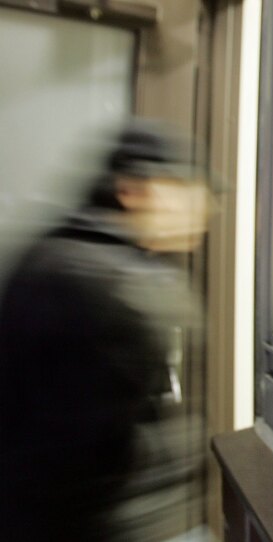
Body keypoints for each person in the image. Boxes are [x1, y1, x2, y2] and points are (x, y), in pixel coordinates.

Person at [0, 120, 208, 541]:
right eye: (184, 190)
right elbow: (82, 462)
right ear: (131, 191)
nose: (203, 208)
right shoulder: (111, 285)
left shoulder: (56, 254)